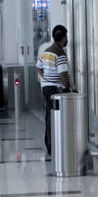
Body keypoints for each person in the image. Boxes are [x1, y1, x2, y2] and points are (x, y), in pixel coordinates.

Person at [38, 24, 73, 158]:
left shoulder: (46, 51)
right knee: (58, 118)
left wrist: (46, 78)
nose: (67, 39)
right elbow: (63, 74)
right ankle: (56, 145)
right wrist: (68, 87)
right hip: (56, 90)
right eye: (66, 36)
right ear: (63, 38)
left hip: (46, 88)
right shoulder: (60, 53)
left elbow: (38, 67)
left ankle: (49, 145)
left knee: (49, 116)